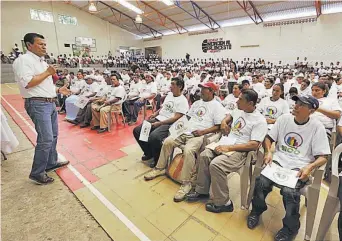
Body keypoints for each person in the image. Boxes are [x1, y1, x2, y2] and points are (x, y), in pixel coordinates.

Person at [247, 95, 330, 241]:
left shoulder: (317, 127)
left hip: (299, 167)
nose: (296, 106)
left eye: (301, 105)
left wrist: (309, 167)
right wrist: (268, 152)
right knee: (261, 182)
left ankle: (290, 227)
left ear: (311, 111)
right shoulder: (284, 119)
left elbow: (323, 156)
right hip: (279, 162)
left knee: (289, 191)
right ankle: (256, 211)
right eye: (296, 102)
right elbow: (269, 138)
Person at [185, 89, 268, 213]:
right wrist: (224, 122)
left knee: (216, 165)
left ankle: (224, 203)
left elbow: (254, 145)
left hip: (241, 150)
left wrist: (229, 148)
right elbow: (229, 116)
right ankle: (202, 191)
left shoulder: (259, 120)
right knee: (204, 155)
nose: (237, 100)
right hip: (227, 142)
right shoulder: (239, 109)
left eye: (240, 99)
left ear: (250, 103)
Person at [144, 82, 226, 202]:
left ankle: (186, 183)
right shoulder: (197, 103)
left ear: (212, 91)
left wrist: (203, 132)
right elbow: (187, 117)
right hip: (186, 131)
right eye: (201, 88)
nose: (201, 91)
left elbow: (218, 126)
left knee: (188, 150)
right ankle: (160, 168)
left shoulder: (217, 106)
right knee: (168, 141)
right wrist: (178, 127)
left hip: (201, 134)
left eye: (204, 89)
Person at [13, 33, 70, 184]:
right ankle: (37, 172)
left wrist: (58, 91)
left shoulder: (42, 62)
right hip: (37, 104)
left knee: (54, 136)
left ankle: (51, 162)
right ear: (29, 45)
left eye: (45, 44)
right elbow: (28, 83)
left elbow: (44, 85)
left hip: (49, 102)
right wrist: (47, 73)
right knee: (45, 139)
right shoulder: (23, 61)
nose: (44, 46)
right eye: (40, 44)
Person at [133, 78, 189, 167]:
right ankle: (149, 153)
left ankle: (158, 159)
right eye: (171, 84)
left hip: (169, 124)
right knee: (137, 130)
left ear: (180, 86)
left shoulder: (183, 101)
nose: (171, 86)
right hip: (158, 118)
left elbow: (176, 118)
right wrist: (155, 114)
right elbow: (163, 107)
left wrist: (160, 123)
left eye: (173, 84)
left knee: (154, 137)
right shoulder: (170, 95)